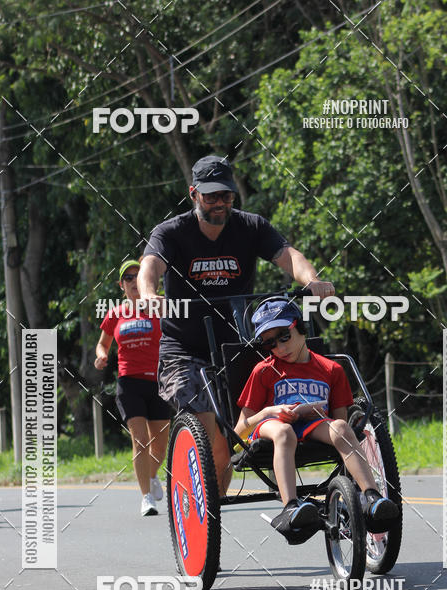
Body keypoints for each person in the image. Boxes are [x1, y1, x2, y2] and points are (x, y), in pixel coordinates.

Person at [138, 154, 336, 497]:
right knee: (204, 422)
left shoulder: (250, 227)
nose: (220, 203)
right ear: (194, 194)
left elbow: (288, 255)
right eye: (211, 196)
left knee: (229, 440)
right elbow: (149, 267)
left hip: (237, 346)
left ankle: (210, 506)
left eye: (226, 196)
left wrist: (312, 280)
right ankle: (198, 503)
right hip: (184, 349)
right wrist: (148, 293)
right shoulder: (171, 232)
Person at [234, 298, 399, 539]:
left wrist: (334, 422)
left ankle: (371, 498)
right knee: (284, 432)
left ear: (300, 327)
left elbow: (339, 420)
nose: (279, 347)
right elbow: (239, 429)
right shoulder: (264, 370)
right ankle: (291, 506)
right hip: (271, 427)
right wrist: (270, 412)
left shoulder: (331, 370)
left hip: (314, 425)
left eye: (284, 336)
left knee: (342, 427)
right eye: (269, 343)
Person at [95, 259, 172, 516]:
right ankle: (146, 497)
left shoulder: (160, 306)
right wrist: (101, 356)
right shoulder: (116, 313)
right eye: (127, 278)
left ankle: (151, 476)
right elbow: (102, 344)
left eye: (136, 276)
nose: (132, 281)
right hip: (129, 383)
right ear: (121, 285)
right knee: (139, 441)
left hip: (160, 381)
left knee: (160, 445)